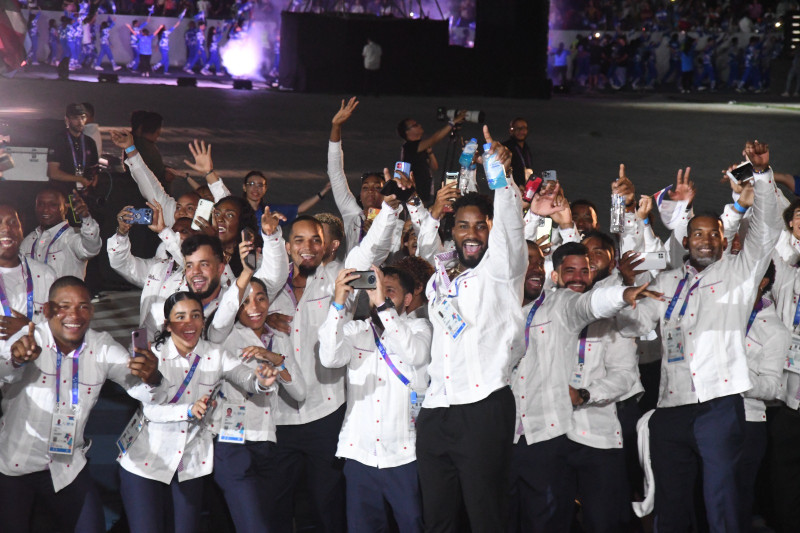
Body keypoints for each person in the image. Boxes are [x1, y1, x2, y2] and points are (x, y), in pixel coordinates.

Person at [617, 141, 782, 531]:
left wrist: (760, 175)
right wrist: (622, 293)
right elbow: (637, 324)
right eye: (697, 234)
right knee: (672, 504)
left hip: (717, 407)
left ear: (724, 241)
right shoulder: (668, 280)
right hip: (671, 406)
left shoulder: (740, 274)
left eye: (712, 235)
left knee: (721, 500)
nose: (705, 240)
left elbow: (766, 228)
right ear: (687, 241)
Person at [415, 127, 522, 531]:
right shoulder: (441, 275)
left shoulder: (502, 269)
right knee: (437, 518)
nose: (472, 234)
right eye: (463, 226)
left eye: (480, 226)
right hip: (436, 408)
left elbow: (511, 226)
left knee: (485, 515)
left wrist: (498, 174)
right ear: (453, 230)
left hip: (483, 406)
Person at [0, 276, 164, 533]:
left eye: (83, 306)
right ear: (47, 310)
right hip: (14, 465)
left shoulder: (101, 347)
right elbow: (3, 368)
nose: (73, 315)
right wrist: (16, 360)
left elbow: (141, 389)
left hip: (66, 464)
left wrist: (152, 377)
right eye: (63, 306)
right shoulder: (28, 338)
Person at [117, 291, 278, 533]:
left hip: (189, 463)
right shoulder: (154, 357)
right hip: (145, 463)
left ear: (203, 321)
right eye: (180, 317)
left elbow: (244, 377)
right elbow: (151, 411)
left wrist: (261, 382)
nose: (189, 323)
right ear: (168, 324)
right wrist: (189, 410)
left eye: (195, 315)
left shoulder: (216, 354)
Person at [319, 264, 431, 532]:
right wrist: (338, 304)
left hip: (405, 455)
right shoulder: (356, 330)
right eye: (374, 288)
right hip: (361, 457)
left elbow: (415, 355)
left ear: (406, 299)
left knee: (413, 525)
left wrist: (383, 307)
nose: (377, 294)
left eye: (387, 290)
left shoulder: (420, 328)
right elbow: (329, 356)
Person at [212, 274, 306, 533]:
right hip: (232, 441)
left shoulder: (278, 337)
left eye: (260, 299)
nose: (254, 307)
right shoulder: (224, 337)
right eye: (245, 302)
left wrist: (274, 358)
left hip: (267, 441)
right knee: (252, 525)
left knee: (272, 522)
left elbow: (299, 392)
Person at [0, 205, 56, 344]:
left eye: (13, 222)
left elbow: (61, 329)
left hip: (37, 363)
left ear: (21, 230)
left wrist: (30, 330)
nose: (6, 228)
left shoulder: (45, 275)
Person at [20, 189, 102, 280]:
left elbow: (91, 248)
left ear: (65, 209)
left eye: (53, 205)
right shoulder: (29, 240)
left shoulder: (72, 237)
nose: (45, 209)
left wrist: (86, 218)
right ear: (35, 208)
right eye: (41, 204)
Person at [397, 110, 466, 204]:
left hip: (426, 191)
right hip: (415, 194)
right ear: (407, 132)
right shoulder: (409, 147)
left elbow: (435, 167)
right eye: (415, 125)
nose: (419, 125)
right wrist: (452, 122)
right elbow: (435, 138)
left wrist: (430, 153)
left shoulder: (420, 146)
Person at [46, 103, 99, 196]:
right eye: (75, 118)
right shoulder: (59, 140)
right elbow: (52, 173)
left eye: (83, 118)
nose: (80, 122)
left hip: (84, 194)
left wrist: (92, 185)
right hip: (63, 193)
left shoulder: (90, 142)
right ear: (67, 119)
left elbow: (94, 171)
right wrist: (79, 179)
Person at [502, 117, 532, 187]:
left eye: (523, 128)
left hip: (525, 190)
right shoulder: (505, 147)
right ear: (511, 130)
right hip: (510, 189)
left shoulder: (526, 149)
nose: (521, 131)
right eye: (517, 128)